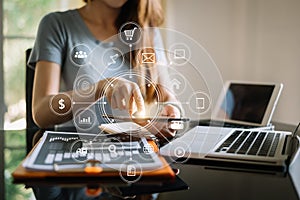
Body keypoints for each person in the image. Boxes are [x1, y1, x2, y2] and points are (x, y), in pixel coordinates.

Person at [28, 0, 181, 138]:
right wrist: (100, 88)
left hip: (133, 149)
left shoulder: (148, 32)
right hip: (75, 146)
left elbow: (170, 99)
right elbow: (41, 113)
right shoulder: (56, 24)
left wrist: (172, 113)